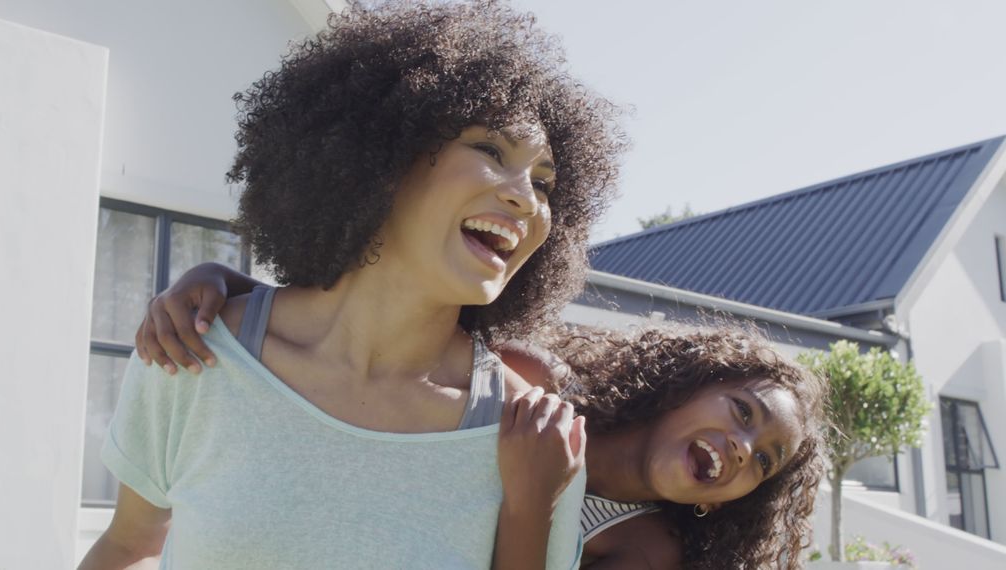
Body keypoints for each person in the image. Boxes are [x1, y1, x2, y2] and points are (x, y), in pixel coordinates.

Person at [79, 1, 625, 569]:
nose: (525, 198)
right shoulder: (194, 349)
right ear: (383, 152)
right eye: (491, 150)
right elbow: (127, 547)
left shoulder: (533, 438)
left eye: (544, 184)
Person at [138, 267, 828, 570]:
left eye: (762, 460)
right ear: (687, 387)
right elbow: (380, 337)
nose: (742, 447)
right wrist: (225, 287)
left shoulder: (645, 552)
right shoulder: (533, 380)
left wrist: (535, 504)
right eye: (742, 413)